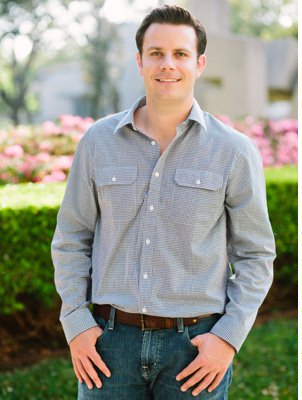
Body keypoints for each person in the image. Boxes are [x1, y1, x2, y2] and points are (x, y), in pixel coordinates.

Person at [51, 5, 276, 399]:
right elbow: (71, 238)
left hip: (195, 348)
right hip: (108, 345)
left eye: (180, 54)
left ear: (199, 63)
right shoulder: (97, 142)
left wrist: (228, 337)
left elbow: (256, 254)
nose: (167, 64)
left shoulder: (234, 151)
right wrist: (76, 323)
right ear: (140, 61)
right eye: (156, 53)